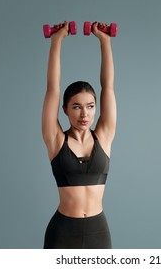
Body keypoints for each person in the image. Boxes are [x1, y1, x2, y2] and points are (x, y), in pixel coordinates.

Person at [42, 21, 116, 249]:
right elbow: (53, 88)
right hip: (62, 232)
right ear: (65, 109)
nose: (84, 113)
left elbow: (108, 87)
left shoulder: (104, 135)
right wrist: (57, 40)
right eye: (76, 107)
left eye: (90, 106)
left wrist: (105, 41)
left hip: (98, 232)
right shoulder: (56, 140)